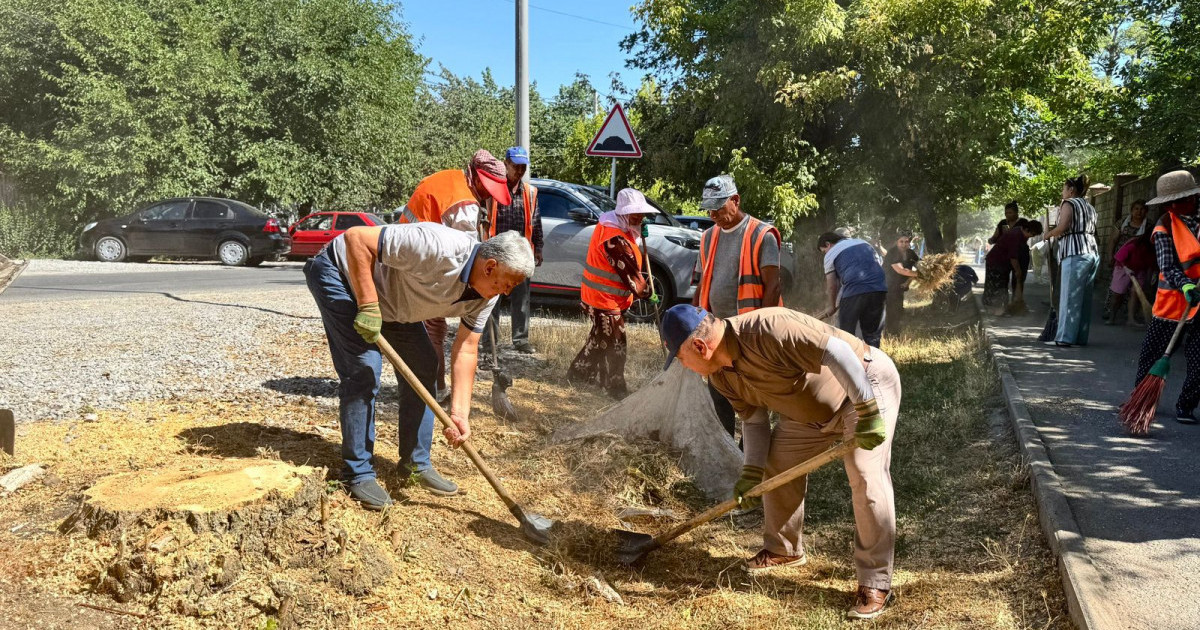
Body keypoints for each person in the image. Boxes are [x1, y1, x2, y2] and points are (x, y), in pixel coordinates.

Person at [661, 304, 900, 621]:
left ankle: (875, 582)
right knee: (775, 465)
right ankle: (784, 549)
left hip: (864, 385)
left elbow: (839, 351)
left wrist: (867, 410)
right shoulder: (721, 378)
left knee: (865, 473)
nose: (684, 366)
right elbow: (755, 421)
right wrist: (751, 472)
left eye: (680, 358)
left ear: (700, 347)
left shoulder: (769, 328)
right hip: (809, 416)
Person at [304, 224, 534, 508]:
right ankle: (358, 473)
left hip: (392, 301)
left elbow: (466, 348)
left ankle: (415, 463)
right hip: (341, 274)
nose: (508, 293)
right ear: (490, 267)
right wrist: (367, 305)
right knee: (364, 370)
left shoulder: (487, 296)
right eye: (508, 283)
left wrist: (459, 414)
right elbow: (356, 238)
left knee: (425, 365)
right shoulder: (438, 247)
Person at [398, 149, 511, 399]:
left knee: (428, 329)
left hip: (409, 253)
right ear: (480, 179)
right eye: (489, 189)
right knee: (434, 331)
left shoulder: (450, 179)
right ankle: (435, 391)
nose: (489, 196)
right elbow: (467, 255)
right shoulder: (464, 205)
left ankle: (432, 387)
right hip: (423, 264)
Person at [692, 174, 782, 440]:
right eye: (709, 209)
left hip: (749, 330)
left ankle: (749, 452)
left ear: (736, 200)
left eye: (719, 207)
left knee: (750, 394)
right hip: (716, 330)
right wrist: (694, 319)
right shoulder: (708, 237)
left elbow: (773, 286)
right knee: (719, 388)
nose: (713, 214)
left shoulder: (762, 235)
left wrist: (760, 331)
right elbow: (702, 282)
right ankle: (725, 446)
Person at [566, 188, 654, 399]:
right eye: (635, 215)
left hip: (600, 297)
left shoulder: (613, 225)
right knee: (616, 343)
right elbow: (630, 273)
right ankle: (615, 388)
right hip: (603, 299)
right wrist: (648, 292)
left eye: (641, 214)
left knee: (599, 339)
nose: (640, 218)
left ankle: (578, 374)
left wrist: (638, 234)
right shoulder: (614, 239)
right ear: (623, 213)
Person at [1134, 170, 1200, 424]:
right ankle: (1142, 397)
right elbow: (1167, 265)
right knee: (1152, 354)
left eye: (1180, 201)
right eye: (1169, 203)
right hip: (1173, 302)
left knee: (1198, 360)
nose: (1174, 207)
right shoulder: (1164, 225)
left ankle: (1186, 406)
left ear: (1192, 197)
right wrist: (1185, 286)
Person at [481, 146, 544, 355]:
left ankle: (520, 339)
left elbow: (536, 222)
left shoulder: (530, 193)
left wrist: (538, 248)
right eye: (515, 166)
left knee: (522, 298)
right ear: (505, 164)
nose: (519, 170)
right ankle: (490, 342)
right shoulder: (492, 189)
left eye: (522, 167)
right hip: (496, 252)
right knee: (492, 298)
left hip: (521, 252)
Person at [1042, 175, 1099, 347]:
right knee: (1084, 299)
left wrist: (1048, 234)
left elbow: (1063, 226)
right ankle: (1080, 338)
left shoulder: (1070, 203)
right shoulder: (1089, 207)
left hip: (1075, 252)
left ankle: (1064, 338)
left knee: (1069, 297)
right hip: (1091, 251)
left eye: (1064, 188)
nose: (1062, 192)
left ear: (1071, 190)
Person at [815, 232, 888, 347]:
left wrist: (831, 305)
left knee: (845, 333)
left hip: (855, 289)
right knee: (872, 334)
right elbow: (877, 266)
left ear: (828, 244)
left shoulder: (830, 254)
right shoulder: (864, 243)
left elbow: (832, 285)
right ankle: (873, 361)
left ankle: (848, 360)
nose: (825, 253)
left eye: (824, 251)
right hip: (879, 288)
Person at [984, 220, 1044, 315]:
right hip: (995, 262)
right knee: (995, 286)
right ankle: (995, 310)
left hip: (1002, 263)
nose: (1031, 237)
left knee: (1002, 285)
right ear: (1027, 229)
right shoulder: (1015, 235)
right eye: (1032, 234)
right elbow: (1013, 257)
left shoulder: (1019, 232)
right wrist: (1018, 271)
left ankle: (1001, 309)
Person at [1104, 199, 1150, 321]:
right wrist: (1110, 257)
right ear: (1131, 210)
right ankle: (1111, 314)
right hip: (1122, 261)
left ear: (1146, 212)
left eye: (1142, 209)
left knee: (1135, 291)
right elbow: (1113, 240)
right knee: (1117, 290)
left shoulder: (1149, 225)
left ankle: (1130, 316)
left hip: (1140, 262)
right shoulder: (1122, 223)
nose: (1139, 212)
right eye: (1136, 209)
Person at [1105, 233, 1154, 326]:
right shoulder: (1134, 244)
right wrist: (1127, 269)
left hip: (1140, 270)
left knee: (1136, 293)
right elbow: (1119, 257)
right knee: (1118, 294)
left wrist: (1148, 282)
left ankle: (1131, 319)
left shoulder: (1153, 250)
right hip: (1123, 267)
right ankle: (1112, 318)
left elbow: (1151, 266)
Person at [882, 231, 920, 334]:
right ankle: (889, 333)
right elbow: (901, 270)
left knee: (898, 309)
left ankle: (894, 332)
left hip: (899, 287)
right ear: (896, 242)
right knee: (890, 310)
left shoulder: (911, 253)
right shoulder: (893, 253)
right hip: (886, 286)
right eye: (901, 241)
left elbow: (920, 268)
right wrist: (921, 275)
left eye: (906, 241)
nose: (904, 244)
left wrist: (908, 281)